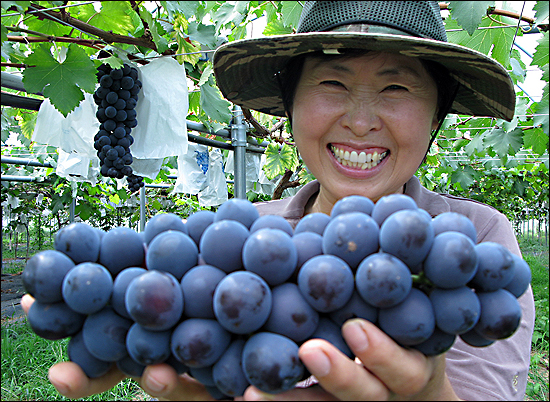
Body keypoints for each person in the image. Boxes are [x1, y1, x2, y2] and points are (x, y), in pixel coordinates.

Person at [21, 1, 535, 400]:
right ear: (290, 111)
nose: (360, 121)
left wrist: (426, 397)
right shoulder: (237, 236)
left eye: (396, 88)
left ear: (435, 122)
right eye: (332, 82)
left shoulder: (476, 240)